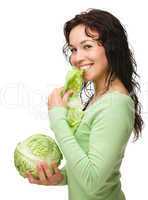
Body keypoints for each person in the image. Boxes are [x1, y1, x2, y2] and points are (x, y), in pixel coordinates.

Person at [26, 9, 144, 200]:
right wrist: (60, 178)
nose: (77, 58)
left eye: (87, 46)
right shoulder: (100, 98)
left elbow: (93, 181)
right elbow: (93, 172)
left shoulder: (116, 105)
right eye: (73, 49)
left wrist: (57, 117)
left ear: (112, 47)